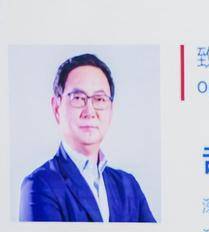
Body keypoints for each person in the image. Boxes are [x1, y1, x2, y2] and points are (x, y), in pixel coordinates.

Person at [19, 53, 155, 222]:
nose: (90, 111)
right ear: (56, 108)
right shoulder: (40, 185)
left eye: (100, 99)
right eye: (78, 98)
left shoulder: (128, 186)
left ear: (111, 109)